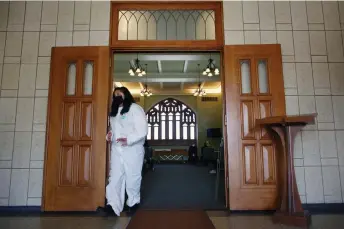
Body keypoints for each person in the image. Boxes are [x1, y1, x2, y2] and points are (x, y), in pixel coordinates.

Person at [104, 87, 148, 216]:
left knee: (132, 176)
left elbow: (142, 130)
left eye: (120, 93)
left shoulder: (135, 108)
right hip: (117, 150)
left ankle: (133, 203)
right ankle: (113, 205)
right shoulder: (114, 112)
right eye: (115, 94)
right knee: (115, 177)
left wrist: (128, 139)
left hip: (132, 149)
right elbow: (114, 129)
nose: (117, 95)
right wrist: (110, 135)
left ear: (126, 94)